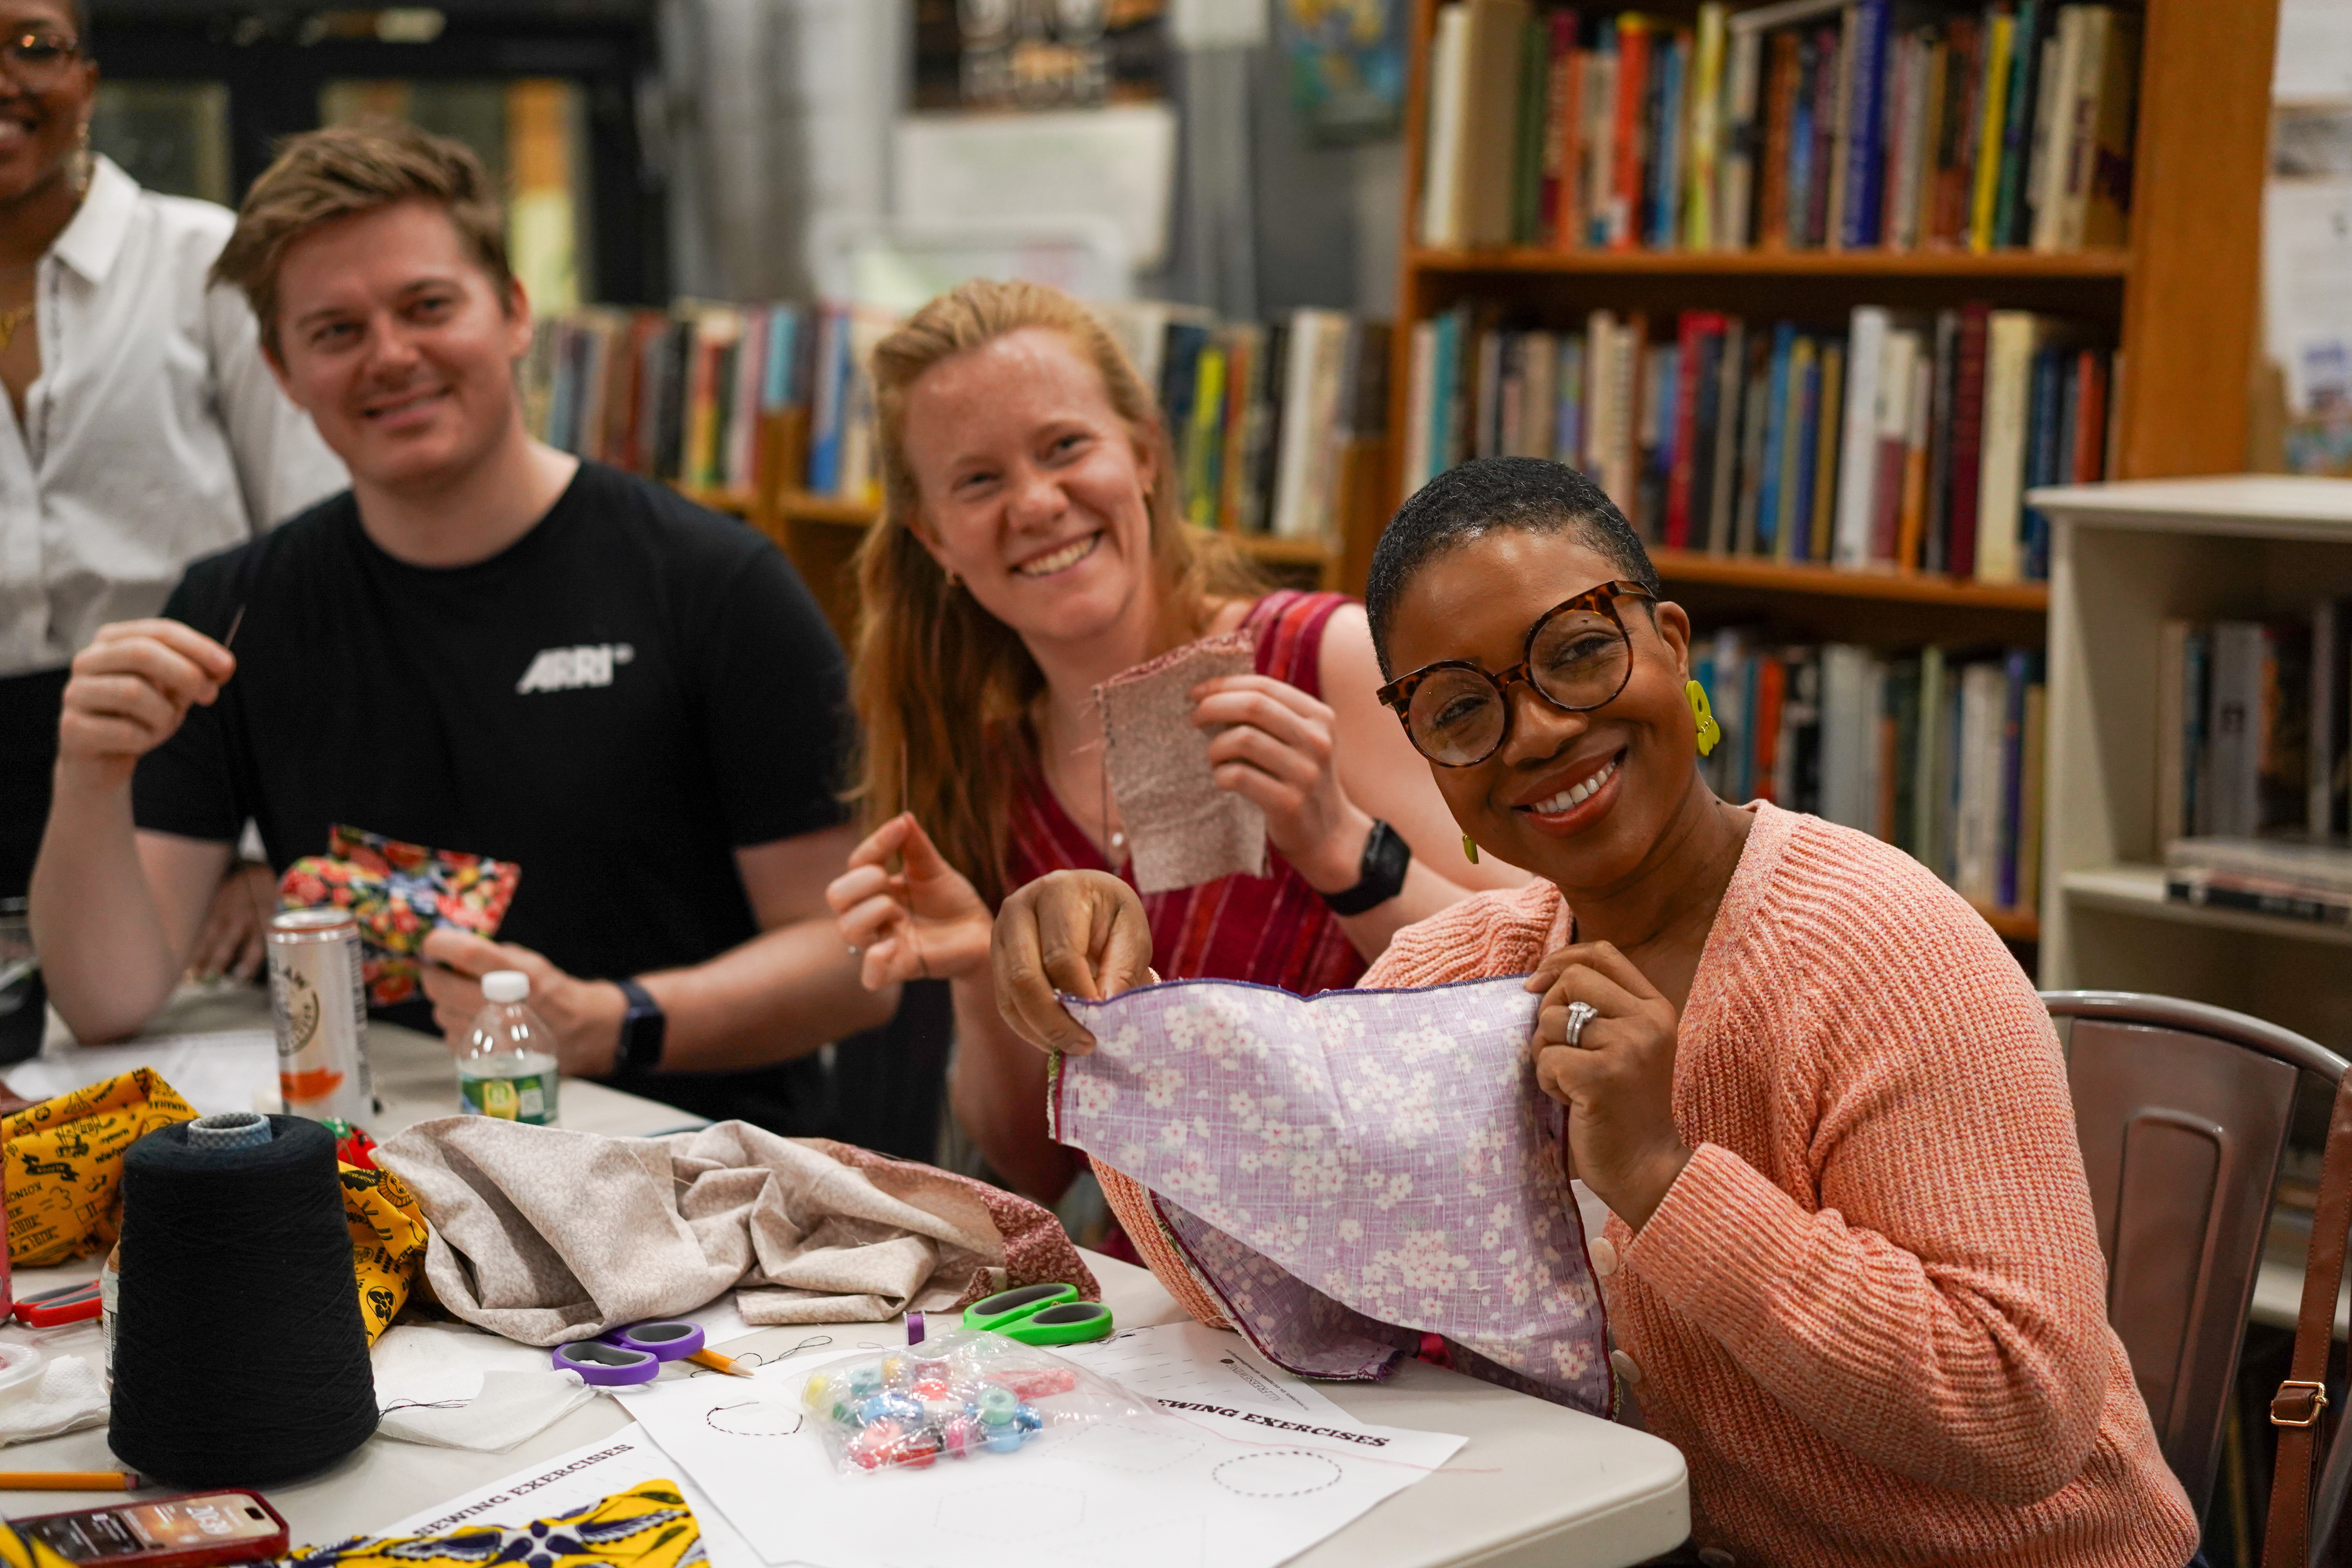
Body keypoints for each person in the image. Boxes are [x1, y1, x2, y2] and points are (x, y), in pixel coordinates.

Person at [986, 457, 2201, 1564]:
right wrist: (1115, 1019)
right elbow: (1288, 1288)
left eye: (1577, 652)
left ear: (1672, 644)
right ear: (1427, 761)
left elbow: (2018, 1412)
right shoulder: (1470, 975)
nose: (1542, 731)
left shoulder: (1884, 947)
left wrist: (1666, 1179)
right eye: (1463, 711)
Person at [29, 121, 893, 1130]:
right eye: (336, 331)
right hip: (384, 1182)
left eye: (427, 306)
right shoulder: (233, 610)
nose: (391, 356)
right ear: (281, 369)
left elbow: (853, 961)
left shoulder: (714, 581)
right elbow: (105, 1001)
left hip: (697, 1181)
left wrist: (609, 1020)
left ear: (516, 312)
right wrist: (87, 776)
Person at [824, 279, 1524, 1203]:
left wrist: (1343, 849)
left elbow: (1544, 975)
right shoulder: (994, 774)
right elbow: (1036, 1168)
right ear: (935, 539)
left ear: (1146, 453)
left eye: (1065, 446)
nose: (1036, 502)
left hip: (1410, 1269)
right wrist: (975, 972)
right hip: (1165, 1310)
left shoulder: (1329, 660)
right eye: (979, 480)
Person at [0, 0, 345, 1014]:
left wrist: (254, 838)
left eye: (33, 45)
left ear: (91, 83)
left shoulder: (206, 261)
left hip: (181, 773)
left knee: (179, 1104)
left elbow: (305, 549)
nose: (4, 78)